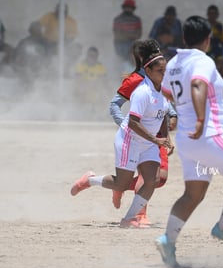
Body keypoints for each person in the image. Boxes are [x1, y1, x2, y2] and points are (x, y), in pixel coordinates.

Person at [155, 16, 223, 268]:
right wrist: (200, 118)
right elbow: (198, 84)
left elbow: (166, 91)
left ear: (184, 38)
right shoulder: (203, 60)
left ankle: (168, 240)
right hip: (208, 135)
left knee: (193, 194)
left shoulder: (175, 62)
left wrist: (183, 112)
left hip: (188, 142)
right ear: (208, 39)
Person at [70, 40, 172, 229]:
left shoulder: (163, 88)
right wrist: (125, 126)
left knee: (155, 179)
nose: (165, 74)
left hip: (150, 140)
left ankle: (131, 217)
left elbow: (164, 113)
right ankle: (91, 180)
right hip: (132, 138)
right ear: (148, 68)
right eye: (161, 70)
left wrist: (166, 138)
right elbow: (123, 112)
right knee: (122, 183)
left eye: (166, 70)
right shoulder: (139, 88)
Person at [109, 39, 177, 227]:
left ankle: (120, 186)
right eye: (156, 52)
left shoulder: (161, 77)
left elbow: (166, 105)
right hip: (138, 134)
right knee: (148, 177)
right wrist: (125, 124)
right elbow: (115, 105)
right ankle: (138, 214)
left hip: (156, 134)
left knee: (159, 179)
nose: (160, 56)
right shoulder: (136, 81)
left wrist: (172, 116)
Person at [112, 0, 142, 64]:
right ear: (124, 7)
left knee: (132, 62)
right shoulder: (118, 19)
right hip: (120, 45)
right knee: (120, 62)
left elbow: (139, 34)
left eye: (130, 7)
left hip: (132, 45)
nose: (128, 9)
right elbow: (117, 35)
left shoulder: (137, 19)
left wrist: (125, 35)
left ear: (133, 8)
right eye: (127, 7)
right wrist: (131, 36)